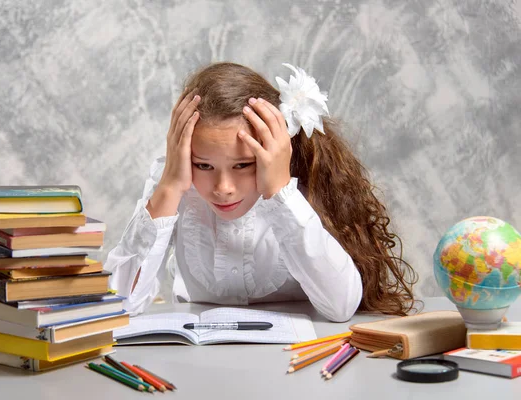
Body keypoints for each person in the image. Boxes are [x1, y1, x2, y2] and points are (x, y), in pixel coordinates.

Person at [104, 62, 416, 322]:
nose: (223, 189)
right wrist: (170, 186)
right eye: (203, 166)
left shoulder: (300, 185)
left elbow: (341, 306)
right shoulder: (173, 182)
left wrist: (281, 193)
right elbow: (120, 305)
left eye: (243, 166)